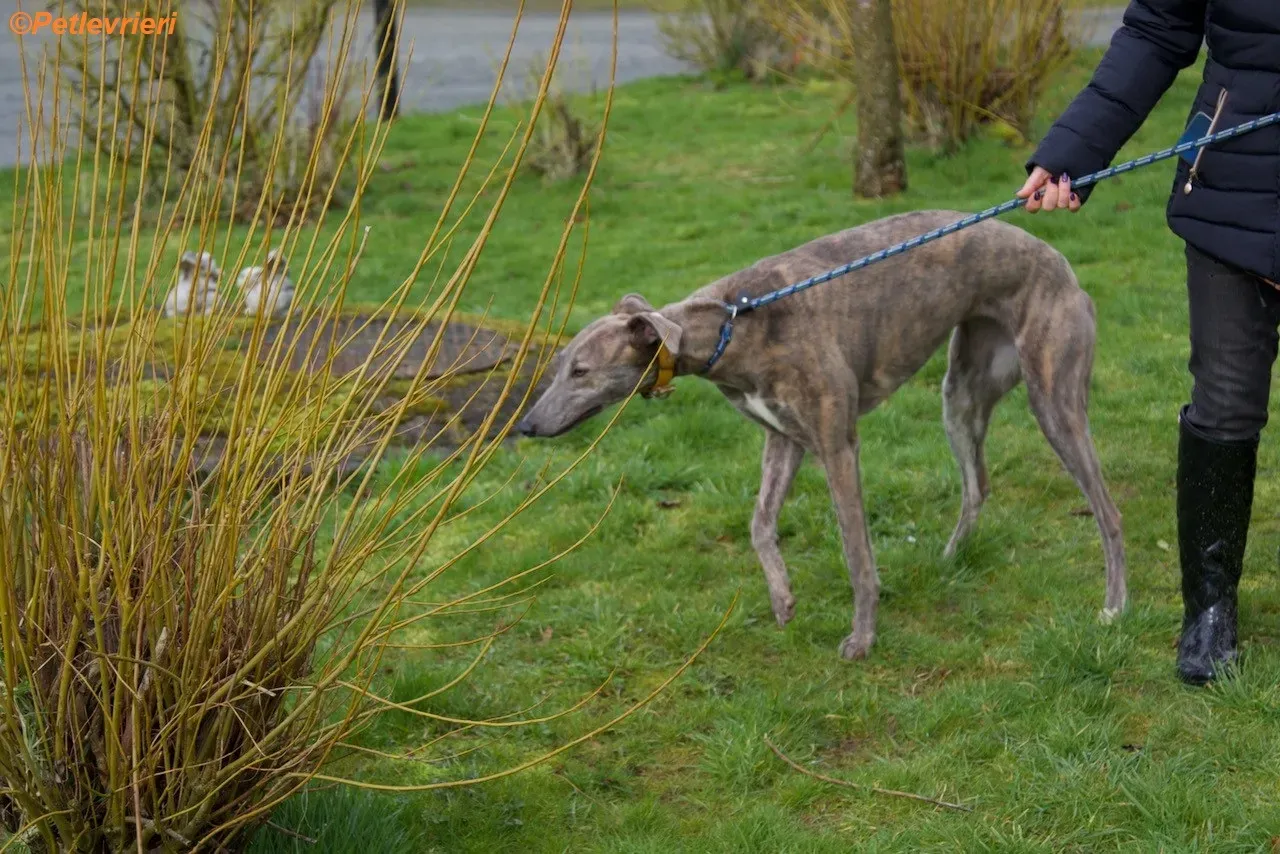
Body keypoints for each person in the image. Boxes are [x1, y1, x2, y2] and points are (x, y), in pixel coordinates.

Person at [1016, 0, 1280, 685]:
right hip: (1232, 186)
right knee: (1224, 404)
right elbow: (1161, 29)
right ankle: (1210, 612)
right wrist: (1074, 149)